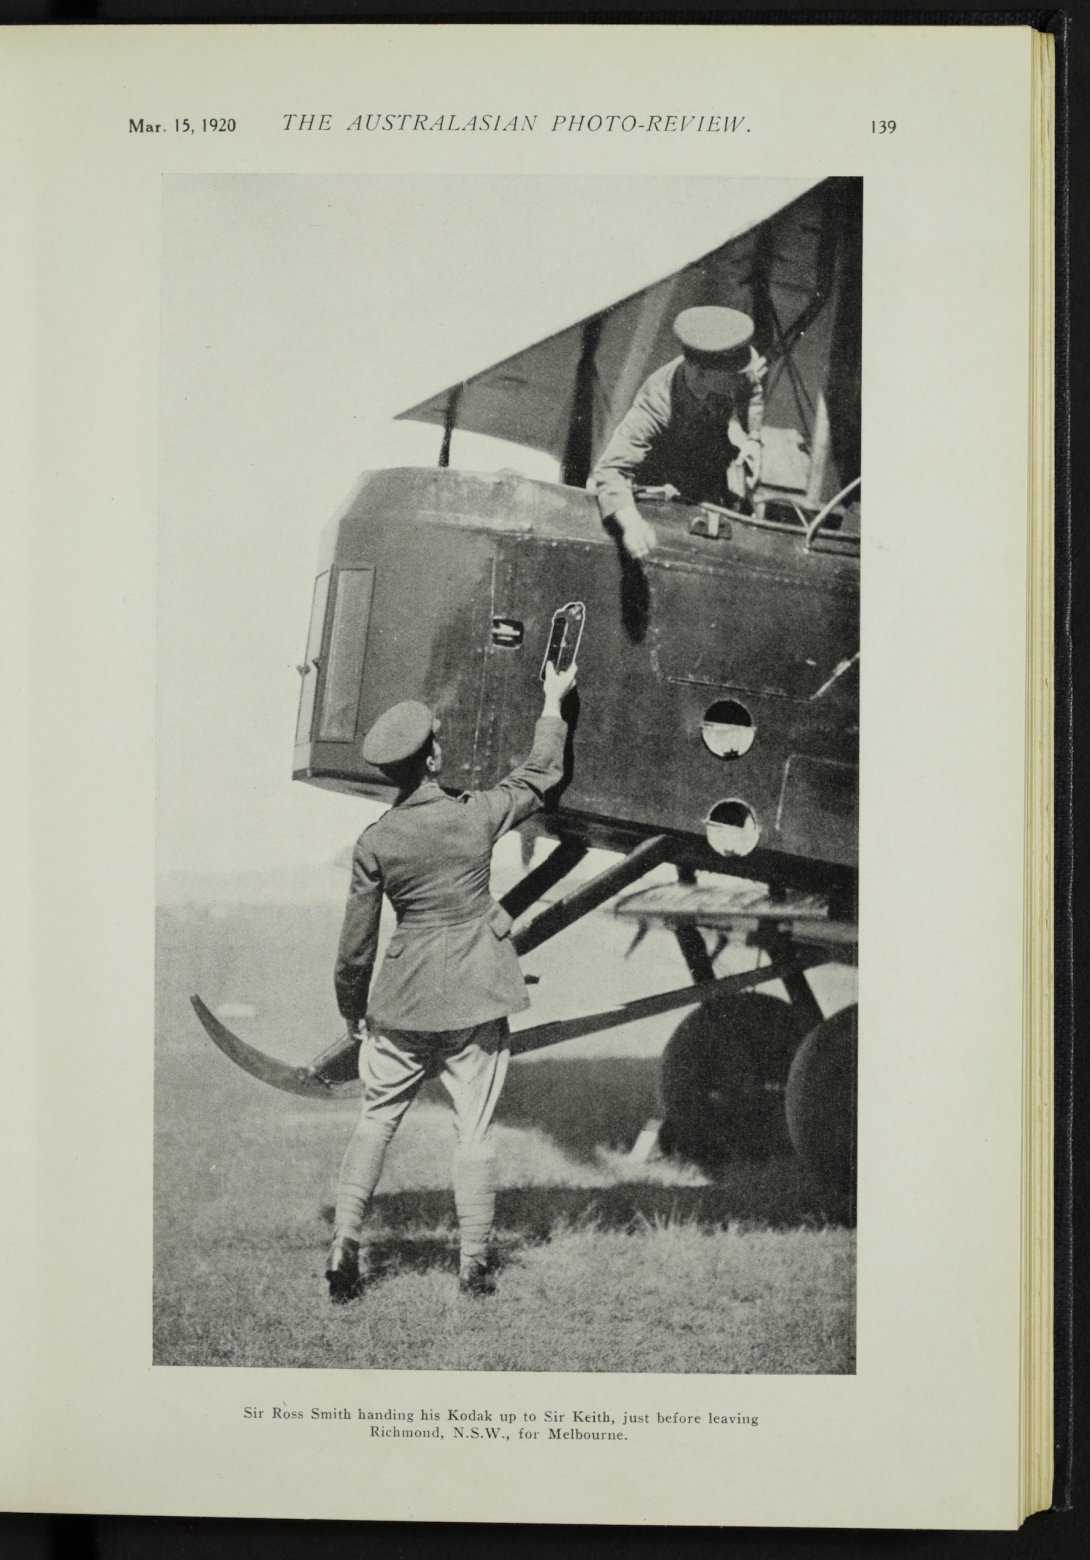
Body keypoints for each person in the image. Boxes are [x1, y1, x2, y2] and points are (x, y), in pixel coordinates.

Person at [323, 660, 577, 1302]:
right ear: (432, 760)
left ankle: (344, 1245)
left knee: (375, 1124)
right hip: (475, 999)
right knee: (474, 1133)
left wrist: (353, 1010)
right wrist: (553, 699)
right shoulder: (475, 815)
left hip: (399, 1006)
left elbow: (356, 947)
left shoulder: (375, 841)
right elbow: (541, 775)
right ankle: (472, 1265)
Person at [591, 305, 767, 560]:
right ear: (700, 372)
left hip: (708, 473)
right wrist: (631, 524)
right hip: (662, 491)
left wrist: (754, 439)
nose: (740, 379)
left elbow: (752, 390)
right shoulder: (656, 404)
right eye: (733, 376)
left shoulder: (729, 376)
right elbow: (610, 470)